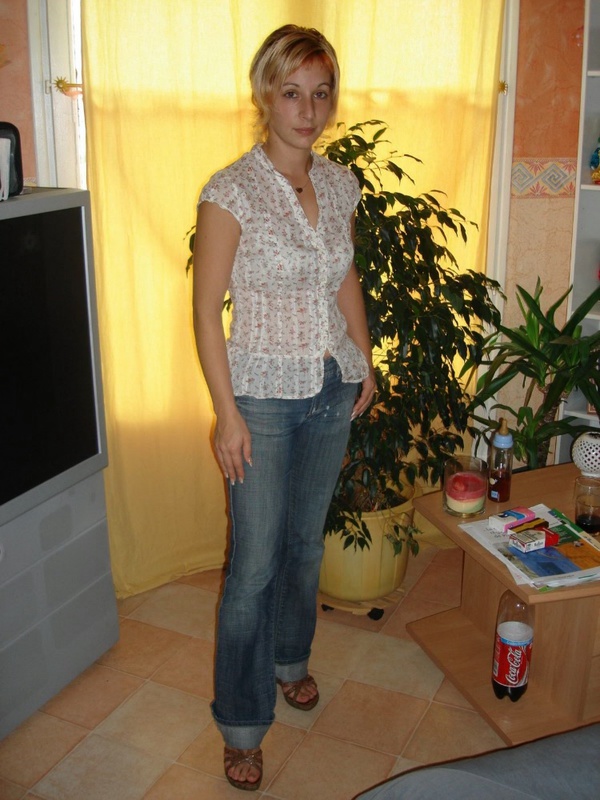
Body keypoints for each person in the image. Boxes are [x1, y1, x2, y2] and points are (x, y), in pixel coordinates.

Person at [192, 24, 376, 792]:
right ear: (266, 94)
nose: (308, 110)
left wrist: (365, 359)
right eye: (293, 92)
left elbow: (345, 275)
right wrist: (227, 414)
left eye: (320, 93)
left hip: (332, 385)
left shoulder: (339, 184)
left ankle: (291, 660)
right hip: (262, 398)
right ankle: (241, 722)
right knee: (254, 566)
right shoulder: (230, 192)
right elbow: (207, 312)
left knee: (304, 546)